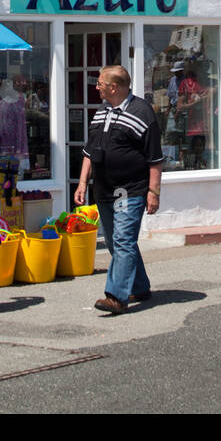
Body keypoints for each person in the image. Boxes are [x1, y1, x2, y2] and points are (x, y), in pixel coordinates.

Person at [74, 65, 162, 315]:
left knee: (123, 240)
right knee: (116, 242)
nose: (96, 87)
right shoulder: (101, 111)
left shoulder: (142, 112)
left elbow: (155, 158)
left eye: (100, 83)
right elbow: (89, 151)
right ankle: (140, 287)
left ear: (114, 87)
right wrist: (82, 182)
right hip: (103, 189)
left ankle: (115, 296)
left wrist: (153, 192)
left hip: (129, 190)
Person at [176, 61, 209, 169]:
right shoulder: (185, 83)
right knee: (191, 147)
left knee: (201, 147)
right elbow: (180, 106)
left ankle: (200, 164)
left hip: (203, 120)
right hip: (191, 121)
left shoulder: (204, 81)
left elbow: (209, 94)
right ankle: (189, 166)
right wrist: (195, 103)